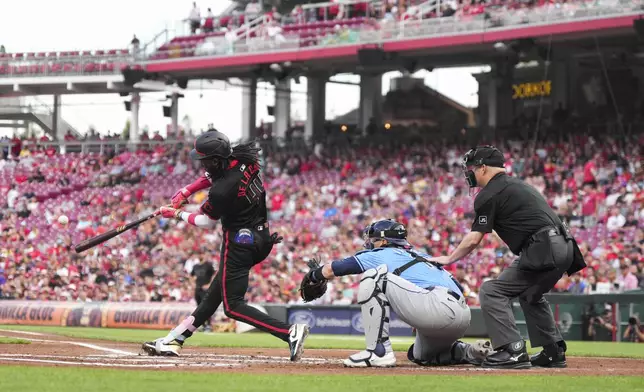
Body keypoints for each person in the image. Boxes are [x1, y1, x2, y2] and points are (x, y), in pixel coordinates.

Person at [142, 129, 309, 361]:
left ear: (216, 160)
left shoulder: (221, 191)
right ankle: (175, 339)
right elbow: (215, 176)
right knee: (214, 294)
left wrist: (176, 214)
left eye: (205, 161)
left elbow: (205, 222)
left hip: (239, 244)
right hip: (262, 237)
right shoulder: (243, 159)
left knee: (233, 306)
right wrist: (187, 190)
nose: (202, 165)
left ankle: (289, 331)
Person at [429, 145, 586, 369]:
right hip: (566, 245)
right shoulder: (518, 184)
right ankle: (553, 351)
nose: (469, 173)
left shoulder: (489, 194)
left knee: (491, 290)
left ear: (483, 168)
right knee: (530, 294)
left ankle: (511, 350)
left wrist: (449, 258)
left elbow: (474, 239)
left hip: (543, 246)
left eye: (472, 168)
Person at [301, 219, 494, 368]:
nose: (369, 243)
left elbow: (332, 269)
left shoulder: (380, 254)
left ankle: (378, 351)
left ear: (384, 241)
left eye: (373, 240)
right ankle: (470, 352)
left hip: (438, 308)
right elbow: (457, 287)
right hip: (461, 314)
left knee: (374, 276)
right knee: (420, 356)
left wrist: (314, 275)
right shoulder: (423, 256)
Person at [191, 255, 215, 330]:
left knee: (206, 307)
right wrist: (193, 284)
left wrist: (209, 284)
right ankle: (202, 325)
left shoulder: (208, 265)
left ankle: (208, 324)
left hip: (205, 290)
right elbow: (191, 275)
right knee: (199, 307)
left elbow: (214, 274)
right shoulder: (195, 266)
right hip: (197, 289)